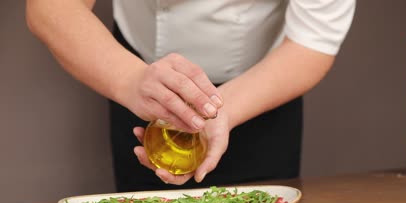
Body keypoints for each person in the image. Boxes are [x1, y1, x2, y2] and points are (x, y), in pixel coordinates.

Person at [26, 0, 355, 191]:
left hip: (262, 89)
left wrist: (218, 111)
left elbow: (314, 39)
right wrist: (129, 79)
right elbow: (52, 7)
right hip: (134, 78)